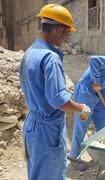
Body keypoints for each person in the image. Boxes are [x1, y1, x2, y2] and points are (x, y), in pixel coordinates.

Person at [19, 4, 92, 180]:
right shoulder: (50, 58)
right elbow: (59, 101)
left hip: (32, 125)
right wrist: (82, 107)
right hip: (47, 130)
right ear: (59, 30)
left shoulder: (30, 52)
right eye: (67, 34)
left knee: (37, 174)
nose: (66, 39)